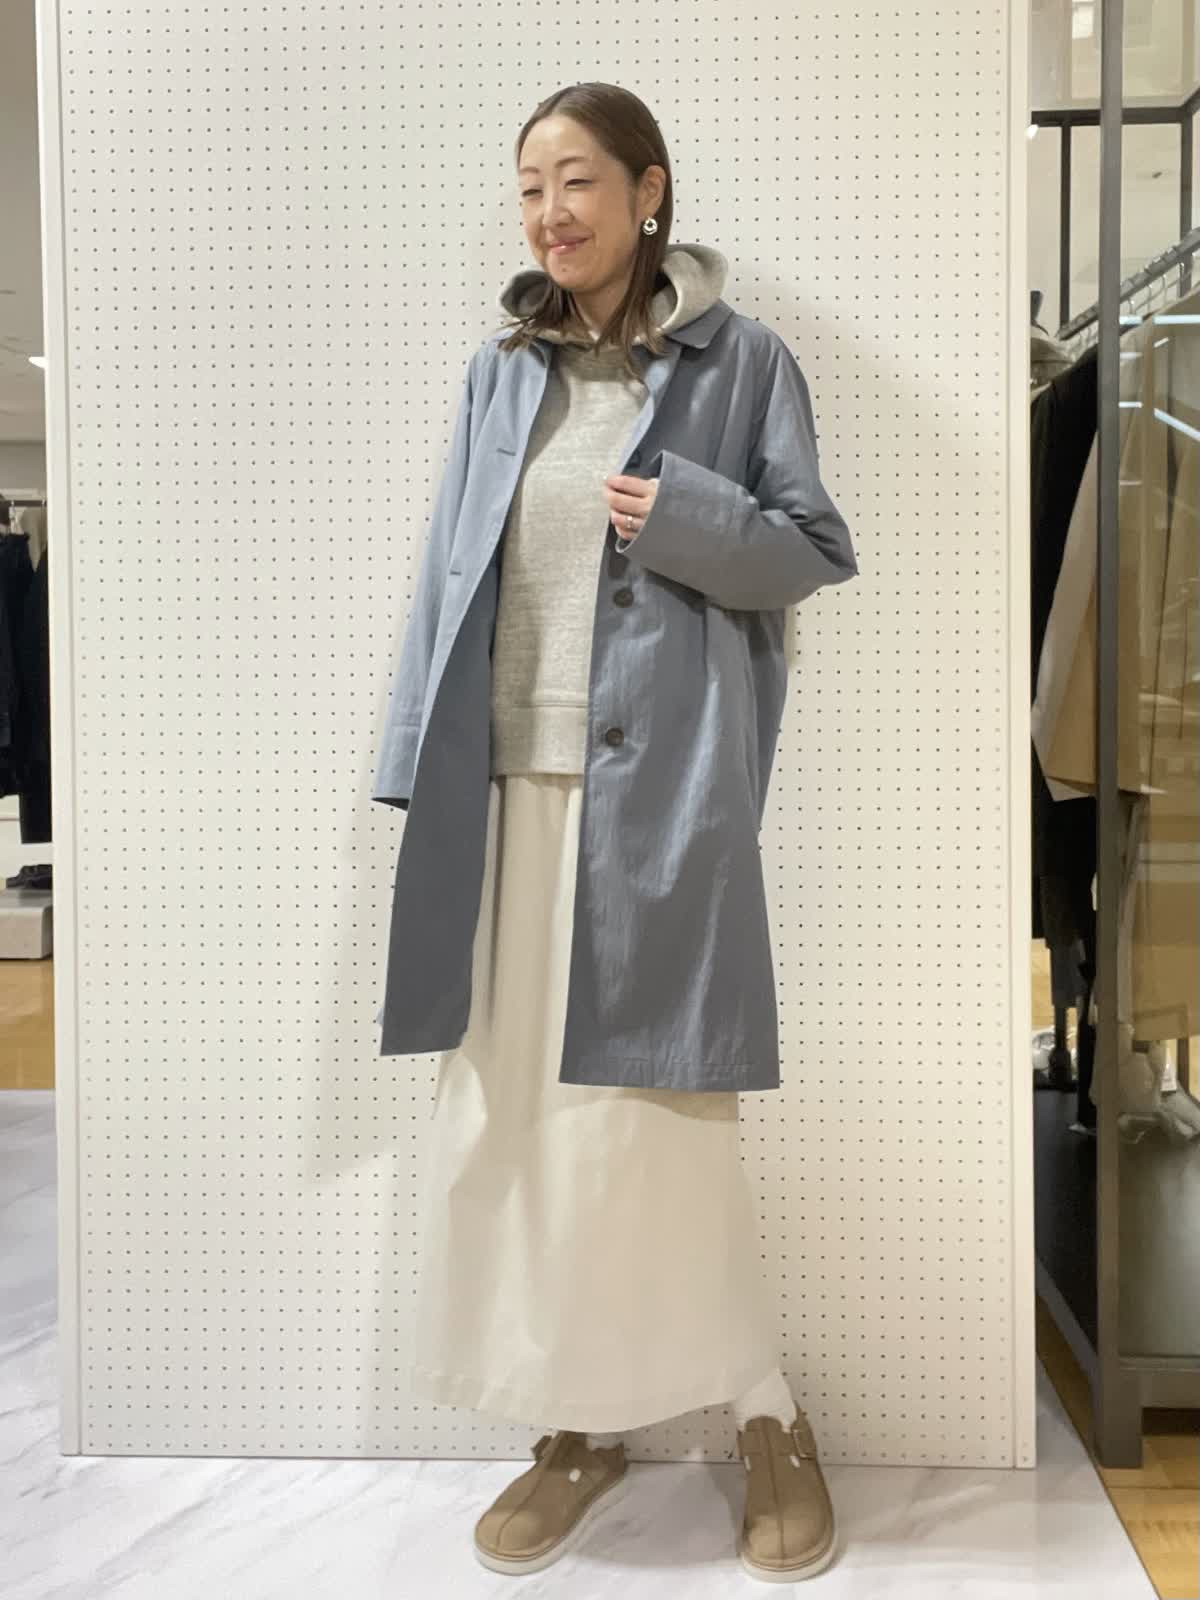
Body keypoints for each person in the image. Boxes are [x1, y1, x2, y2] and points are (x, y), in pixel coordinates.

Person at [391, 81, 855, 1582]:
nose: (550, 212)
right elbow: (447, 571)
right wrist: (411, 764)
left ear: (649, 191)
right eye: (530, 184)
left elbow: (813, 550)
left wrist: (684, 516)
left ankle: (766, 1417)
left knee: (663, 1134)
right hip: (504, 800)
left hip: (657, 807)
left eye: (577, 179)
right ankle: (579, 1425)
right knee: (525, 1130)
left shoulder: (740, 359)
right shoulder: (500, 372)